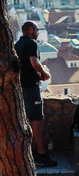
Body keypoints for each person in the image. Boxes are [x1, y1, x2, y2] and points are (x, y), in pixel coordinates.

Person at [14, 21, 57, 167]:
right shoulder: (31, 43)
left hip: (21, 87)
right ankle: (41, 154)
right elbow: (34, 62)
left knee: (24, 120)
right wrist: (44, 73)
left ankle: (23, 154)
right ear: (30, 30)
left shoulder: (17, 44)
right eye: (37, 30)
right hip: (31, 88)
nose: (38, 33)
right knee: (36, 120)